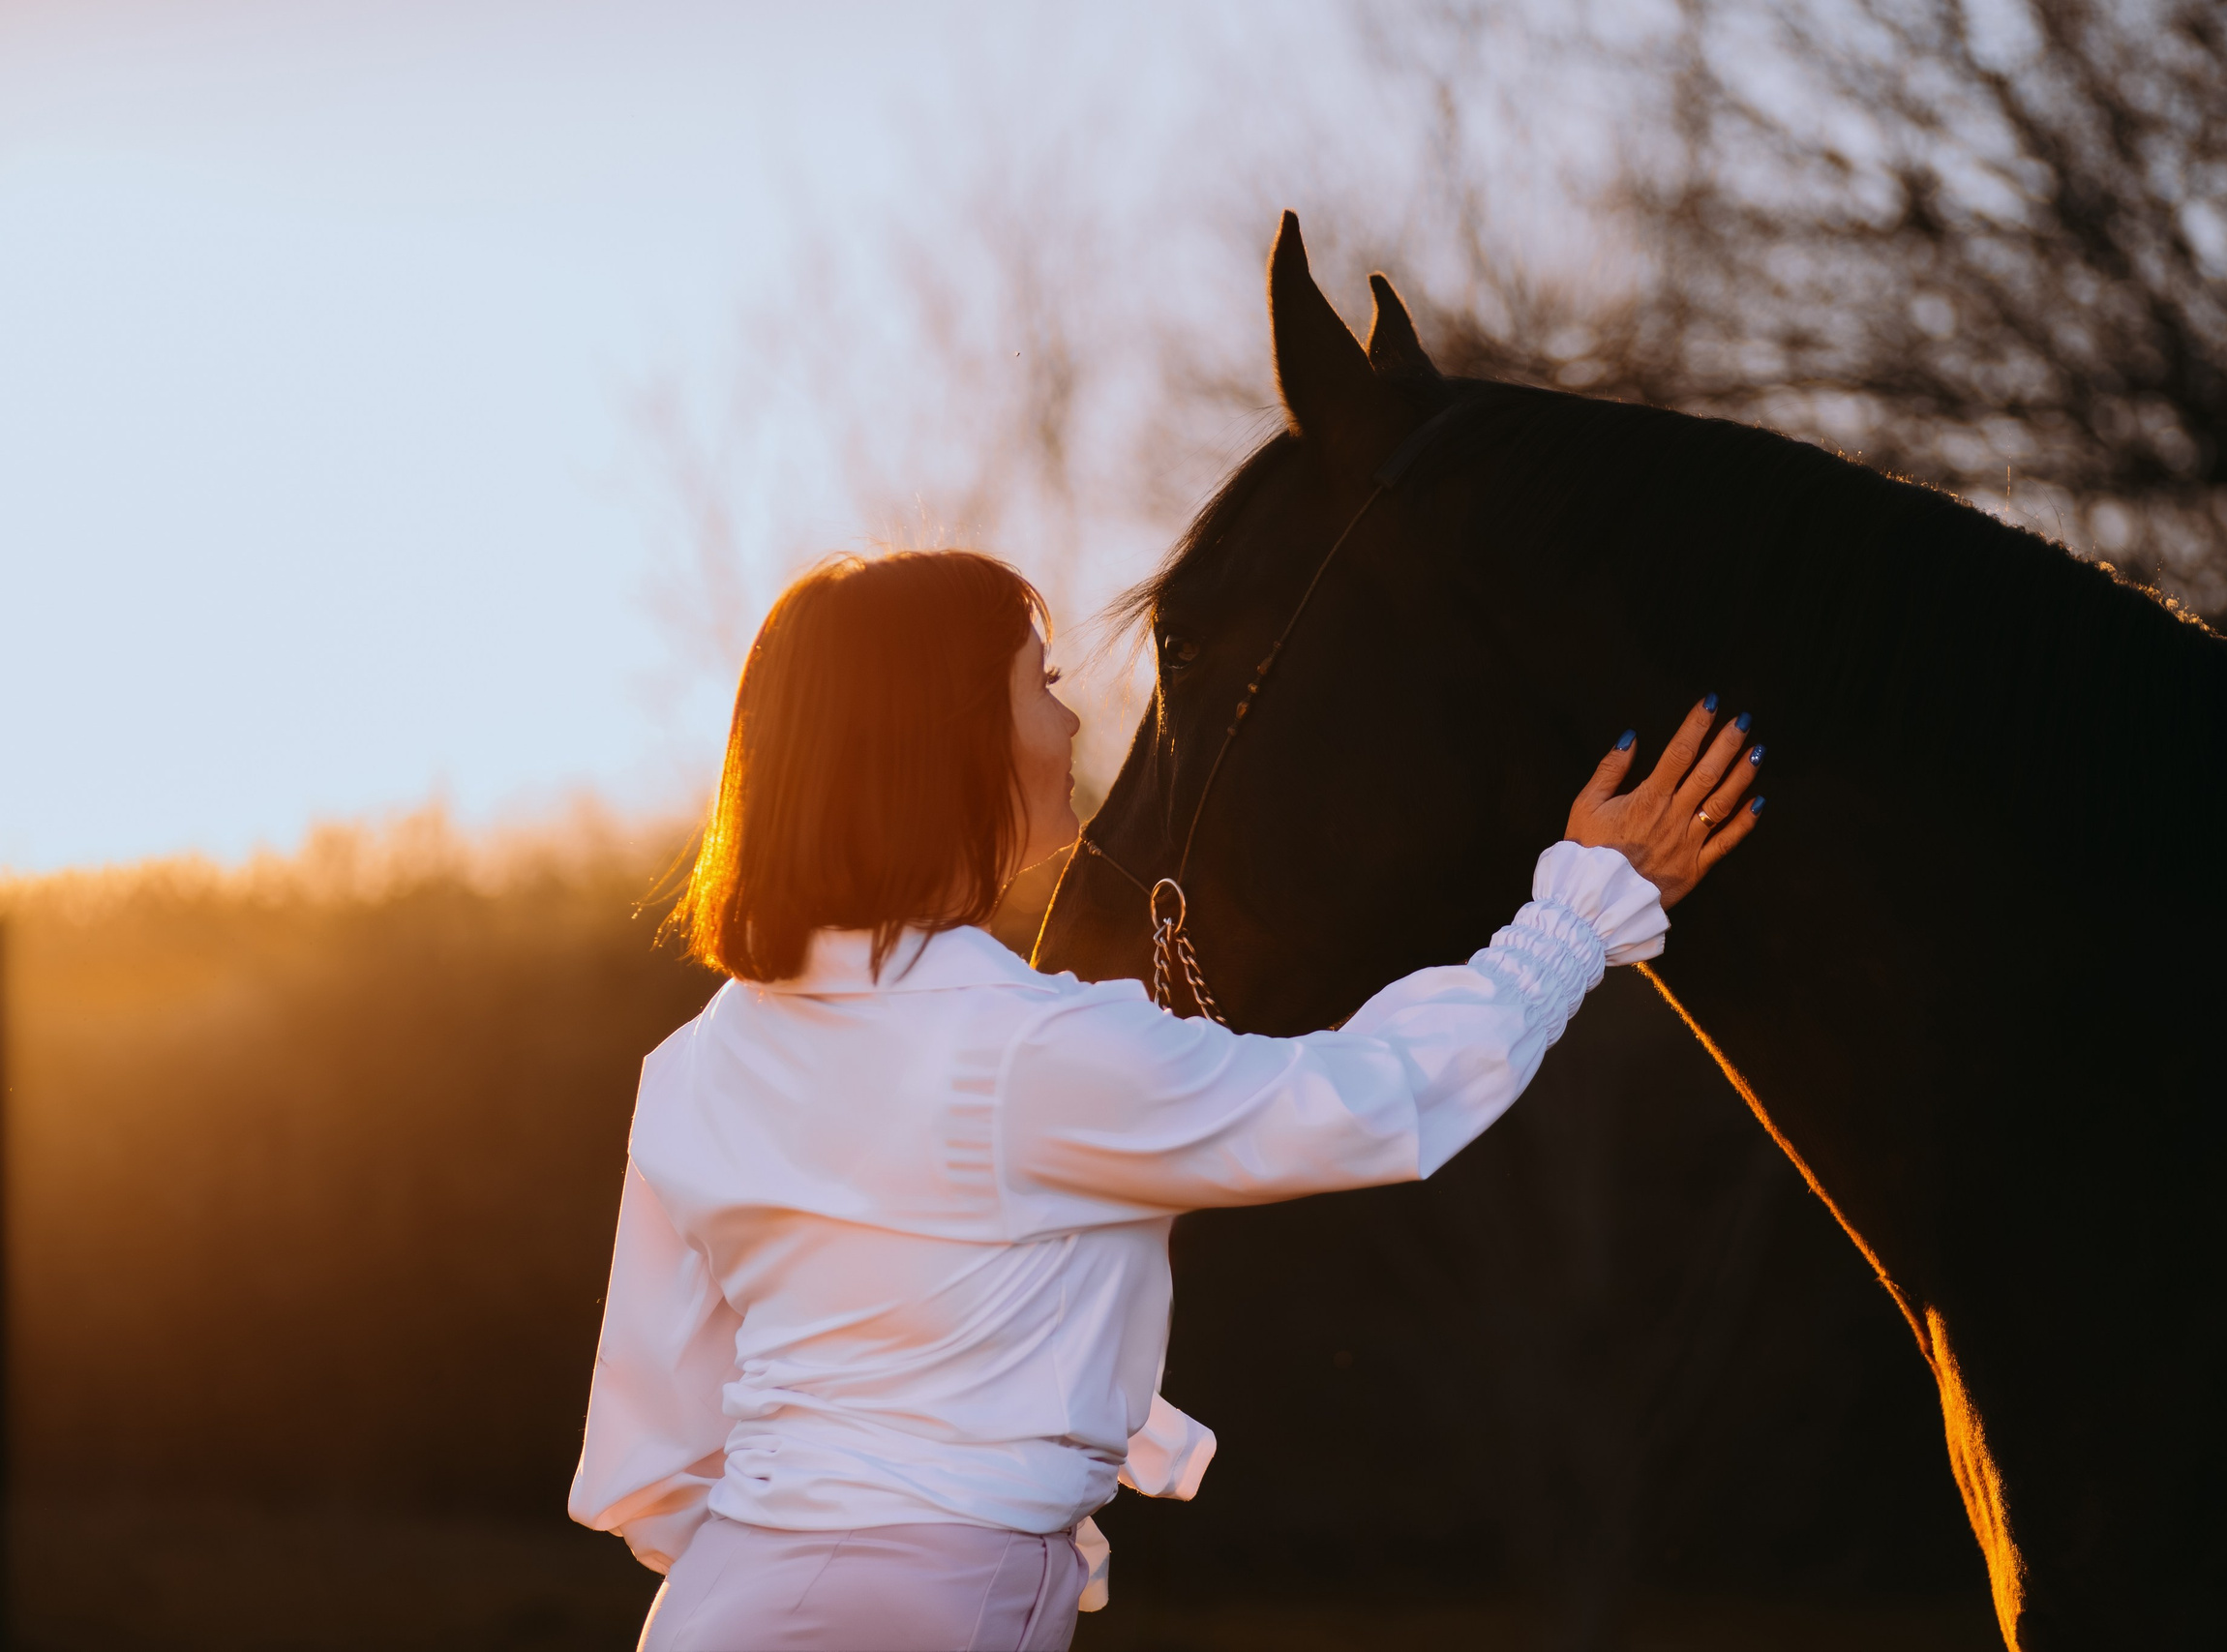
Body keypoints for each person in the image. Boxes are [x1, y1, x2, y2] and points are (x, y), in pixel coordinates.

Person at [569, 550, 1766, 1652]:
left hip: (712, 1607)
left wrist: (824, 1538)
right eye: (1039, 682)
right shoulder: (1030, 1051)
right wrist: (1580, 911)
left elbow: (653, 1456)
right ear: (948, 740)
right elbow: (1370, 1099)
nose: (1073, 716)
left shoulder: (690, 1067)